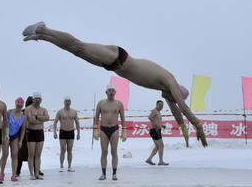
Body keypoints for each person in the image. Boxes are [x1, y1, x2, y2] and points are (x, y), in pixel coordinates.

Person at [22, 22, 207, 147]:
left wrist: (184, 130)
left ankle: (42, 36)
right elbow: (182, 107)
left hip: (115, 66)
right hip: (118, 57)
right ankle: (44, 29)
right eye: (171, 98)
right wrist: (197, 126)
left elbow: (176, 110)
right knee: (78, 46)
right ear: (176, 93)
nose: (168, 100)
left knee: (76, 52)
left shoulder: (165, 89)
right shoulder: (170, 81)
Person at [94, 84, 126, 181]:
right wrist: (95, 128)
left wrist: (124, 129)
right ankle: (103, 174)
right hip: (103, 129)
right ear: (106, 92)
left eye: (113, 90)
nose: (111, 92)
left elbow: (123, 117)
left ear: (115, 92)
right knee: (104, 151)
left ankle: (114, 173)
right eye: (109, 90)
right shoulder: (101, 103)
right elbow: (96, 116)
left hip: (114, 129)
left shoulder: (119, 104)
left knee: (114, 151)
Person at [0, 97, 26, 182]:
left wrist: (21, 141)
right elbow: (3, 124)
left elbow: (23, 130)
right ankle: (1, 173)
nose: (19, 104)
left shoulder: (23, 116)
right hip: (6, 134)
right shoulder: (8, 112)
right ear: (15, 103)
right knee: (5, 154)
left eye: (21, 103)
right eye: (18, 102)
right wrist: (3, 135)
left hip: (16, 136)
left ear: (23, 105)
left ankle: (13, 175)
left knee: (14, 155)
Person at [25, 92, 50, 180]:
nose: (38, 100)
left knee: (38, 154)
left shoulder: (44, 109)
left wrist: (36, 117)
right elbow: (31, 120)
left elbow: (47, 118)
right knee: (31, 154)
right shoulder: (28, 109)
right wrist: (41, 118)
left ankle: (37, 173)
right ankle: (31, 173)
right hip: (31, 132)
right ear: (33, 99)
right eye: (36, 98)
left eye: (39, 99)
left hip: (40, 132)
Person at [52, 96, 81, 172]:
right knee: (63, 149)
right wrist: (54, 133)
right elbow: (55, 122)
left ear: (70, 102)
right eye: (66, 101)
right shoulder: (60, 112)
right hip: (63, 131)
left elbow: (77, 122)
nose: (67, 102)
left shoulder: (74, 112)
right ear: (64, 102)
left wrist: (78, 133)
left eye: (69, 101)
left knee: (70, 149)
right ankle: (61, 166)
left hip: (71, 131)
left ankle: (69, 166)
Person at [145, 100, 169, 166]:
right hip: (155, 130)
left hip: (157, 130)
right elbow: (150, 117)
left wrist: (162, 125)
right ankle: (161, 161)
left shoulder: (158, 112)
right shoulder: (154, 111)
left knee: (157, 146)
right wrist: (156, 123)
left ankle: (149, 159)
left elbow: (157, 121)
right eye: (159, 105)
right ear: (156, 105)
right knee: (161, 145)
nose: (161, 106)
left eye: (162, 105)